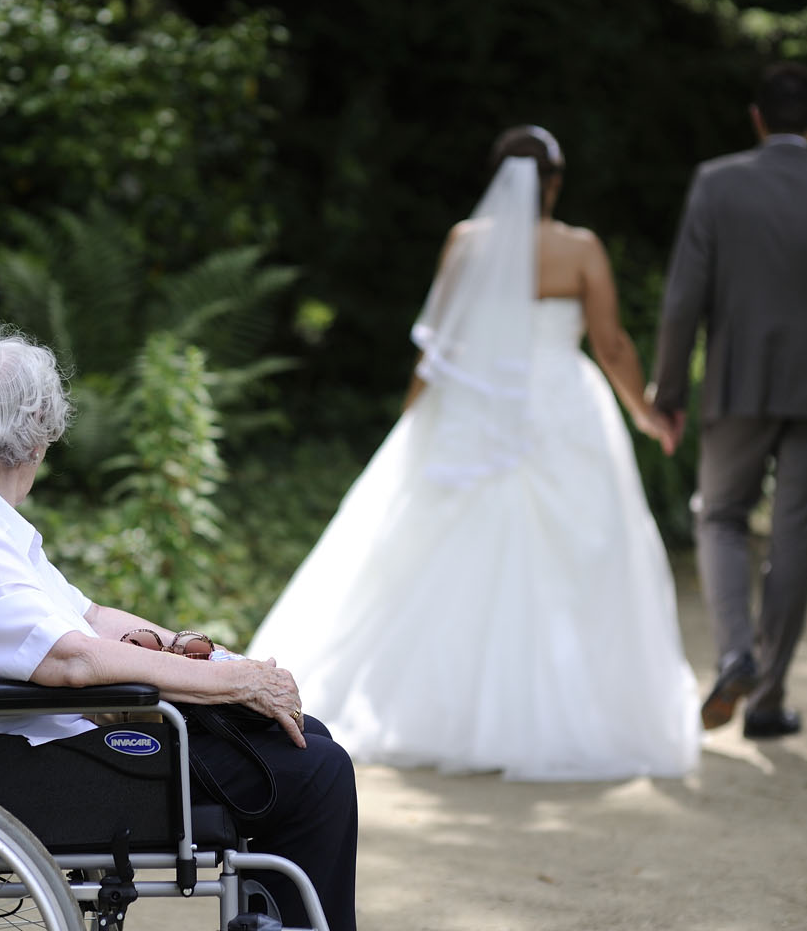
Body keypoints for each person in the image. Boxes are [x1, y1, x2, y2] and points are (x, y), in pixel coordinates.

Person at [0, 331, 366, 931]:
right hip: (41, 770)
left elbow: (92, 618)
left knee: (303, 742)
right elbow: (75, 660)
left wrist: (217, 661)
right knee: (314, 772)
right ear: (32, 433)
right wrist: (233, 684)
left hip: (29, 752)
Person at [245, 126, 701, 781]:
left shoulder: (466, 242)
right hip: (560, 408)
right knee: (581, 555)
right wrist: (646, 412)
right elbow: (612, 345)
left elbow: (442, 344)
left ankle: (436, 707)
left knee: (441, 552)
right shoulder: (579, 248)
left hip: (473, 411)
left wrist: (414, 417)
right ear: (554, 182)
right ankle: (565, 711)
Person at [649, 62, 807, 740]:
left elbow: (683, 300)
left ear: (757, 118)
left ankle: (735, 649)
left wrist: (668, 392)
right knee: (796, 535)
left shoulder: (718, 182)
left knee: (720, 516)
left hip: (737, 382)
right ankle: (766, 700)